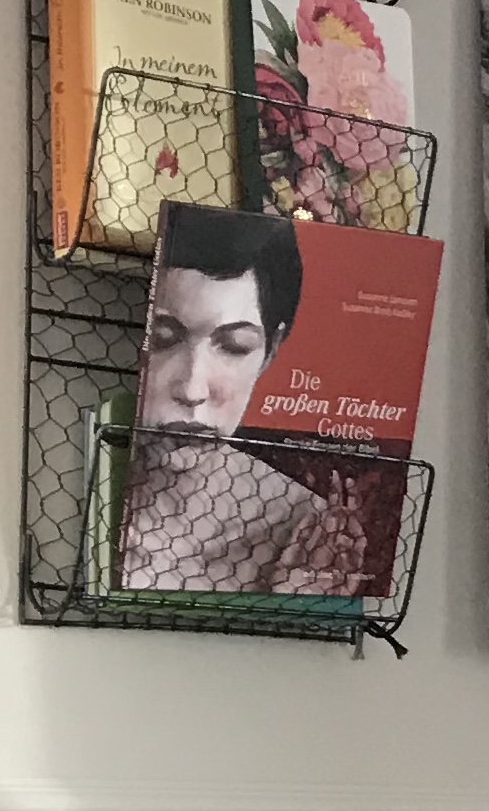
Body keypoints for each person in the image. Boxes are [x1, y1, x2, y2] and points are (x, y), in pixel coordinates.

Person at [116, 207, 373, 597]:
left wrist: (295, 604)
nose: (192, 390)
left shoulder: (307, 533)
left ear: (271, 350)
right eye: (164, 338)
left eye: (235, 346)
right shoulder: (96, 494)